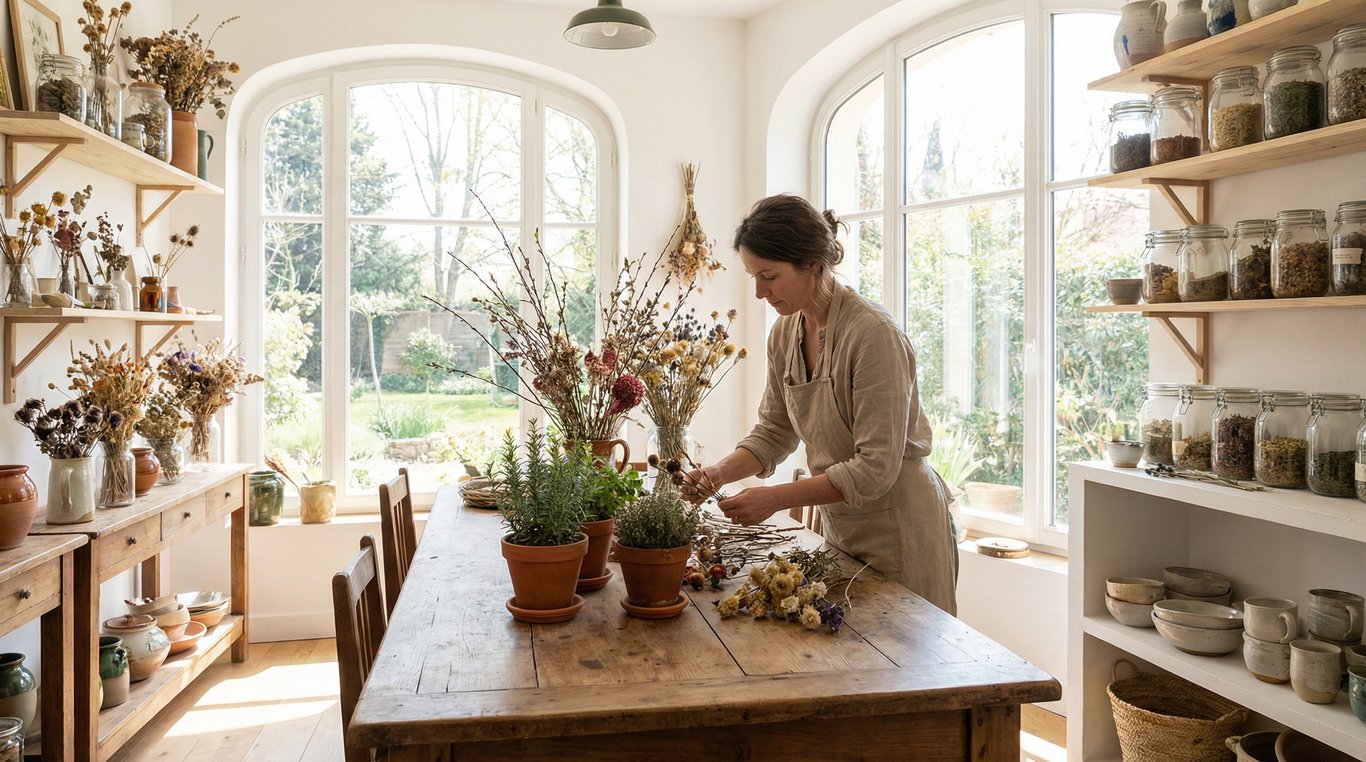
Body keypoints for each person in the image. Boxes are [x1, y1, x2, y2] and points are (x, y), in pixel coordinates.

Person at [680, 193, 958, 615]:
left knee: (907, 649)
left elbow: (875, 468)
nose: (759, 292)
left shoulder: (873, 335)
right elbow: (774, 431)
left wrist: (773, 499)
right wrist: (718, 473)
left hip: (902, 527)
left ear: (812, 264)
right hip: (843, 527)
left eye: (769, 276)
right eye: (754, 276)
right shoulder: (784, 334)